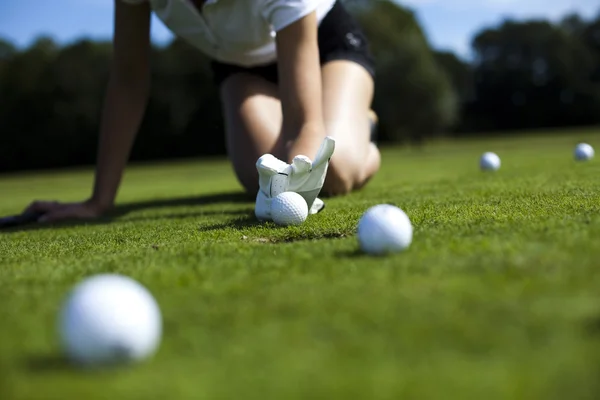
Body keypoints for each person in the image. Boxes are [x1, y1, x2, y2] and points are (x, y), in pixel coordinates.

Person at [25, 0, 381, 223]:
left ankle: (363, 128)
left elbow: (303, 123)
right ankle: (348, 124)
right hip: (242, 68)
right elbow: (129, 80)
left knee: (329, 173)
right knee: (258, 176)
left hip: (322, 49)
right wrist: (98, 201)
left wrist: (296, 186)